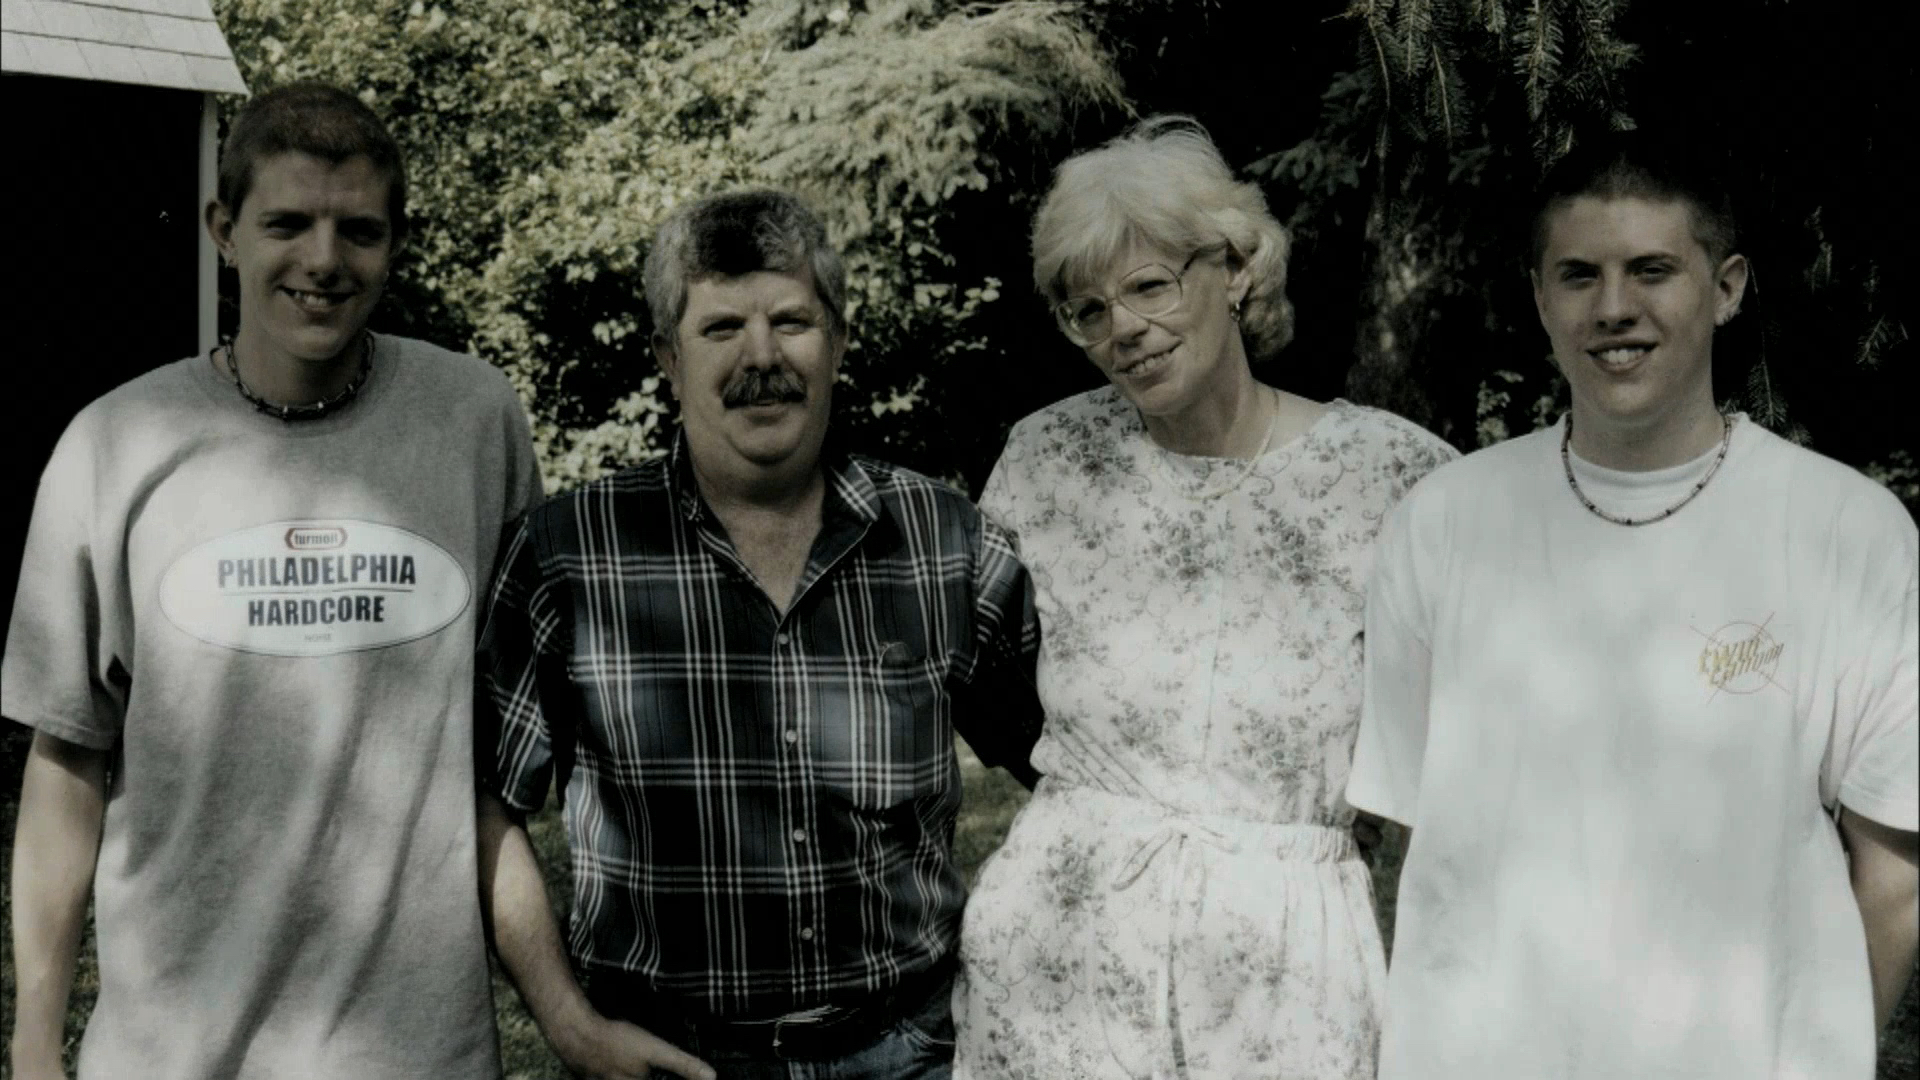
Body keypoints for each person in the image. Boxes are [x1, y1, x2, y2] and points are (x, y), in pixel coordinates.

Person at [1349, 130, 1919, 1078]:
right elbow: (1421, 827)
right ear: (1540, 297)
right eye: (1579, 275)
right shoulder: (1443, 522)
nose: (1614, 308)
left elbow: (1895, 867)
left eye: (1652, 270)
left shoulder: (1848, 533)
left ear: (1727, 287)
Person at [4, 82, 542, 1080]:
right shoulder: (114, 446)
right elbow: (67, 756)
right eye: (287, 223)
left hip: (416, 1053)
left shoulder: (474, 423)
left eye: (359, 230)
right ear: (224, 229)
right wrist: (36, 1035)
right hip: (171, 1052)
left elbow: (498, 762)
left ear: (395, 240)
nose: (324, 261)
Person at [474, 188, 1045, 1080]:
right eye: (721, 328)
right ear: (669, 359)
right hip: (664, 1059)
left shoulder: (942, 541)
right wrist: (571, 1027)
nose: (762, 357)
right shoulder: (569, 554)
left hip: (913, 1052)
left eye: (791, 321)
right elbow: (487, 806)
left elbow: (1070, 765)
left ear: (838, 342)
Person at [951, 117, 1457, 1079]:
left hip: (1285, 968)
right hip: (1060, 955)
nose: (1123, 330)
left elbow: (1471, 751)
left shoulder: (1394, 476)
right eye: (1088, 309)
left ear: (1235, 267)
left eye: (1150, 286)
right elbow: (981, 676)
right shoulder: (1048, 458)